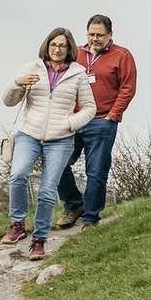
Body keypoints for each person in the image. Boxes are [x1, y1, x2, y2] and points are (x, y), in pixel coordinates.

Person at [2, 28, 95, 260]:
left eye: (62, 45)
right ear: (47, 45)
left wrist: (70, 124)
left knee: (46, 190)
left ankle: (39, 240)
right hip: (29, 134)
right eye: (54, 44)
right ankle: (17, 225)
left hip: (60, 139)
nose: (57, 49)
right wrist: (17, 84)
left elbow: (89, 107)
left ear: (69, 48)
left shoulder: (78, 73)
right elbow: (8, 101)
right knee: (18, 175)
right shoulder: (32, 68)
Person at [55, 13, 137, 228]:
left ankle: (90, 217)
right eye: (92, 34)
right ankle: (73, 204)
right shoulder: (76, 54)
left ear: (110, 35)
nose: (95, 39)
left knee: (96, 171)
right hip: (73, 120)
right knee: (56, 163)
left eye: (100, 35)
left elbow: (127, 88)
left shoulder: (122, 55)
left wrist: (113, 116)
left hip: (102, 120)